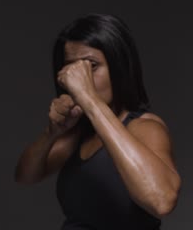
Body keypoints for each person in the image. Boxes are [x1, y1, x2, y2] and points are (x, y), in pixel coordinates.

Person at [15, 13, 181, 230]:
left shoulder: (145, 127)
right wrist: (52, 133)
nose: (79, 78)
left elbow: (161, 201)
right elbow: (25, 176)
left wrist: (89, 99)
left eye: (91, 66)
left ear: (118, 66)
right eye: (72, 69)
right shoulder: (78, 134)